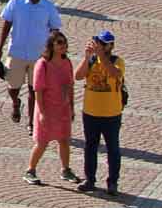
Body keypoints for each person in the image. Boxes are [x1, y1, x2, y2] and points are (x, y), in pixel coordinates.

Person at [0, 0, 62, 124]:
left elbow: (55, 29)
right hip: (16, 52)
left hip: (38, 56)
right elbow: (6, 24)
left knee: (35, 90)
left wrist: (52, 52)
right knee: (13, 87)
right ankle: (15, 103)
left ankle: (31, 123)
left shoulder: (48, 7)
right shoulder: (16, 1)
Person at [76, 28, 126, 196]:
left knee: (113, 148)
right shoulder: (91, 60)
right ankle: (90, 179)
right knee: (90, 146)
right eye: (98, 42)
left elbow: (114, 73)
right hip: (90, 112)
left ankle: (112, 182)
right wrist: (87, 57)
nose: (98, 46)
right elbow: (78, 76)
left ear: (110, 46)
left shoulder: (117, 61)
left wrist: (101, 56)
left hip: (111, 114)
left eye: (102, 44)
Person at [26, 31, 78, 185]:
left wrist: (72, 107)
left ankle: (65, 169)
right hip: (47, 109)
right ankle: (30, 170)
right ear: (51, 45)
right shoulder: (42, 64)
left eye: (64, 42)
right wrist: (41, 112)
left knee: (64, 139)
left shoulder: (67, 62)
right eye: (59, 43)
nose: (63, 45)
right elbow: (38, 90)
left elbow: (70, 86)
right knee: (42, 142)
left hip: (62, 108)